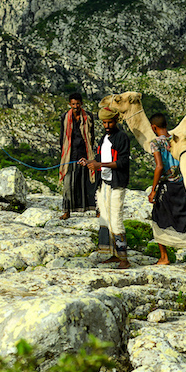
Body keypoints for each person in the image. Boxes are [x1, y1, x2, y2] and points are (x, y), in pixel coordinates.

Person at [147, 113, 186, 275]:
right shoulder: (176, 139)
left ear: (153, 127)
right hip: (181, 185)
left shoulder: (155, 143)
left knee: (158, 218)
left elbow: (159, 167)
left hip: (166, 186)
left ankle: (164, 256)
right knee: (184, 221)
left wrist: (153, 190)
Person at [80, 107, 131, 269]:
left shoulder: (122, 137)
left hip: (117, 184)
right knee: (105, 218)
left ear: (115, 121)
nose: (107, 125)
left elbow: (123, 162)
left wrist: (99, 164)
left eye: (109, 122)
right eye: (104, 122)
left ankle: (124, 259)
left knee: (116, 219)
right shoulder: (104, 139)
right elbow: (100, 158)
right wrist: (89, 162)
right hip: (104, 183)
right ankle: (113, 254)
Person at [58, 92, 97, 220]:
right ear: (70, 104)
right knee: (69, 183)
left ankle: (96, 209)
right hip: (70, 155)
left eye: (78, 104)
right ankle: (67, 211)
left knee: (89, 182)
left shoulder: (88, 117)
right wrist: (64, 153)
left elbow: (91, 135)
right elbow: (62, 136)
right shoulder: (65, 117)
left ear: (81, 104)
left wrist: (89, 155)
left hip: (85, 153)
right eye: (73, 104)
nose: (75, 106)